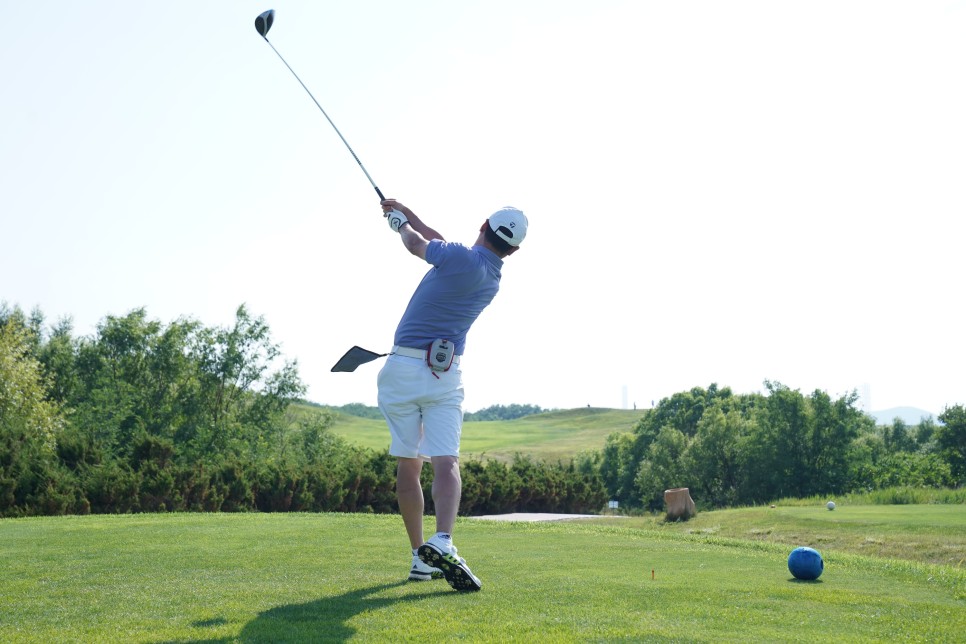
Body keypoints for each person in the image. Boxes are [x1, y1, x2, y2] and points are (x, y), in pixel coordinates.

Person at [377, 198, 528, 592]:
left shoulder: (459, 259)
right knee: (446, 462)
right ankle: (442, 540)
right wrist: (408, 214)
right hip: (443, 375)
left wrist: (399, 225)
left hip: (401, 371)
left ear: (482, 224)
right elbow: (440, 245)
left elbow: (417, 246)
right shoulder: (490, 276)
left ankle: (419, 558)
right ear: (513, 250)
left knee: (409, 466)